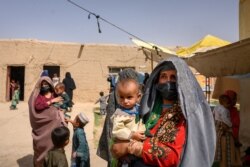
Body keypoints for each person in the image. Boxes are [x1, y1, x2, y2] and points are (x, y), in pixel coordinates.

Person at [111, 56, 216, 167]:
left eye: (173, 77)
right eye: (164, 76)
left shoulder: (185, 114)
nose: (168, 81)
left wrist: (130, 147)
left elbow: (173, 156)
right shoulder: (148, 109)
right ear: (157, 80)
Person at [96, 68, 140, 167]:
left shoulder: (137, 94)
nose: (125, 100)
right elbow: (111, 126)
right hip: (118, 138)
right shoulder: (116, 95)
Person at [28, 75, 66, 167]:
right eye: (43, 84)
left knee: (54, 146)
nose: (45, 86)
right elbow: (37, 106)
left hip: (54, 126)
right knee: (42, 148)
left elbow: (61, 102)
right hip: (43, 128)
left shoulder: (54, 93)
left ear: (50, 84)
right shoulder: (39, 96)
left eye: (46, 84)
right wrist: (51, 101)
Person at [111, 77, 146, 166]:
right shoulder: (120, 114)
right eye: (121, 97)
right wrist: (132, 134)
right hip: (124, 145)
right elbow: (117, 130)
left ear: (138, 97)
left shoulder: (138, 108)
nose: (125, 101)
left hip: (136, 146)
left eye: (129, 97)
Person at [213, 94, 235, 167]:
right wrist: (230, 125)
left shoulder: (216, 107)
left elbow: (213, 114)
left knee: (218, 143)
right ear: (222, 102)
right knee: (226, 146)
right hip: (223, 126)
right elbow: (225, 119)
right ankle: (225, 162)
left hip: (217, 126)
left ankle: (219, 158)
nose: (228, 105)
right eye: (227, 103)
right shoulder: (224, 110)